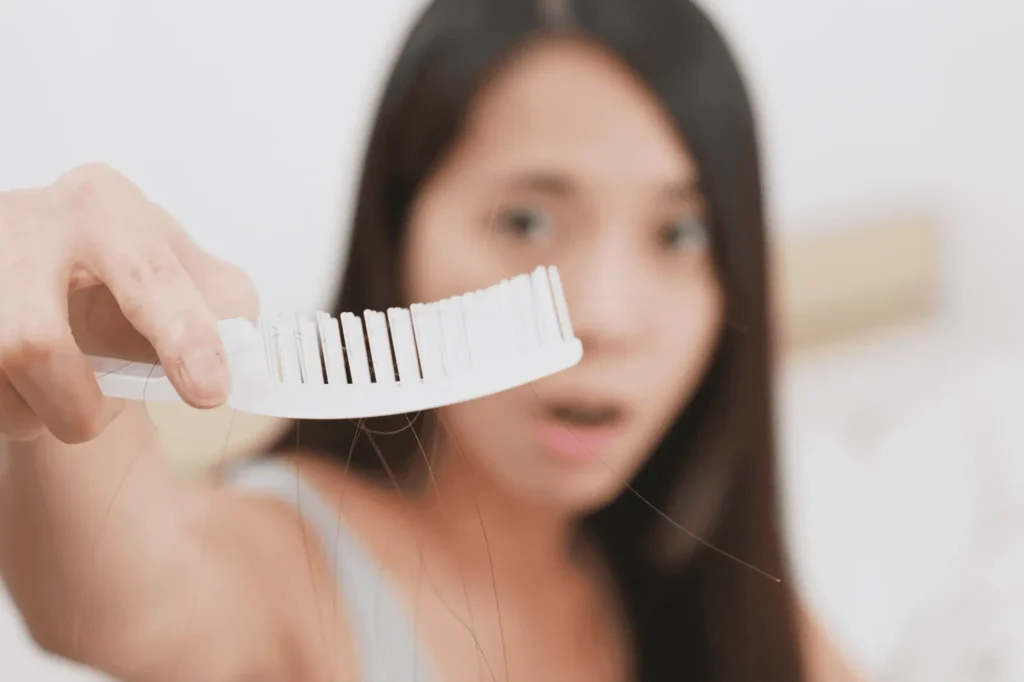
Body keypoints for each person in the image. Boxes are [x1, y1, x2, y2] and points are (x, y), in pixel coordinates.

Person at [0, 0, 862, 680]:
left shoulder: (716, 595)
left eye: (679, 235)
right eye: (525, 219)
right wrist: (68, 322)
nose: (604, 313)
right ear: (399, 229)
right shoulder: (291, 562)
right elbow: (112, 609)